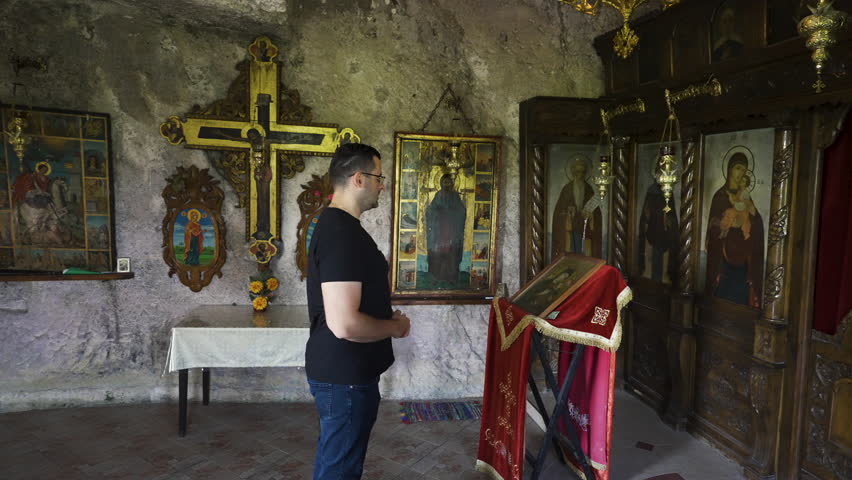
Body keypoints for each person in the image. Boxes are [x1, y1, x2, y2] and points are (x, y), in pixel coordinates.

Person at [305, 143, 411, 480]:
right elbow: (345, 324)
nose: (383, 185)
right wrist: (395, 327)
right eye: (379, 177)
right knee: (339, 469)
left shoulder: (341, 227)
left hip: (346, 374)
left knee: (340, 463)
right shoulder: (341, 233)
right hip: (345, 376)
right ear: (358, 179)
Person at [705, 152, 764, 307]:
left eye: (744, 170)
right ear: (730, 169)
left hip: (743, 257)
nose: (740, 173)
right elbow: (712, 226)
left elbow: (756, 224)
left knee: (740, 297)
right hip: (724, 258)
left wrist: (753, 215)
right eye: (738, 168)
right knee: (723, 296)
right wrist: (726, 225)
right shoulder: (719, 196)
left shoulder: (746, 197)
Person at [551, 157, 602, 258]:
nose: (580, 174)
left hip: (584, 227)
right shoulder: (567, 189)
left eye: (583, 172)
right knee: (571, 250)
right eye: (577, 171)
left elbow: (596, 211)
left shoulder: (589, 189)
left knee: (583, 251)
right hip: (570, 226)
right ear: (573, 172)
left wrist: (590, 214)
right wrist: (567, 213)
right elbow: (559, 211)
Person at [637, 170, 679, 284]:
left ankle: (664, 279)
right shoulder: (651, 190)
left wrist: (667, 214)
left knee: (664, 256)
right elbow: (647, 209)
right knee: (650, 256)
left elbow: (670, 209)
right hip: (652, 227)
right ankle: (650, 279)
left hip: (664, 229)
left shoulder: (668, 190)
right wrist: (648, 215)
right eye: (659, 173)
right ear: (655, 174)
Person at [426, 173, 466, 285]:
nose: (447, 184)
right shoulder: (438, 195)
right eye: (445, 182)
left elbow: (461, 211)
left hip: (452, 230)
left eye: (449, 182)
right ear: (441, 183)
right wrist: (436, 211)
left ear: (452, 184)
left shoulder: (455, 196)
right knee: (437, 253)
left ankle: (451, 277)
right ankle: (436, 277)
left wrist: (450, 212)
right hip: (439, 231)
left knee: (452, 253)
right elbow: (430, 211)